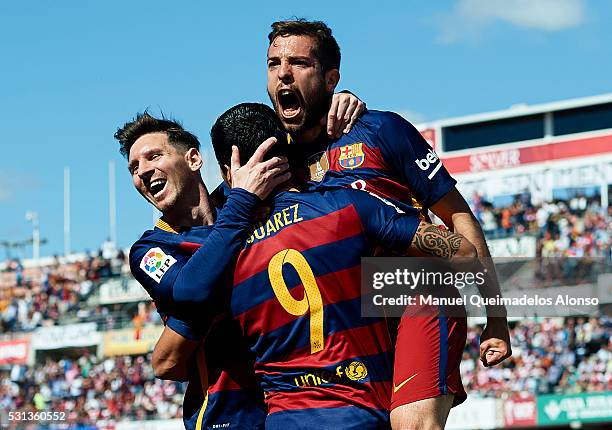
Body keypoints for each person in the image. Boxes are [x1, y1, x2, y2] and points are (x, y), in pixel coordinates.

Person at [265, 19, 511, 429]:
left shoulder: (380, 129)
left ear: (330, 78)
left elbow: (459, 216)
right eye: (274, 64)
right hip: (344, 321)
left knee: (411, 425)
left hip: (416, 288)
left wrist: (497, 320)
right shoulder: (272, 160)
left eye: (299, 63)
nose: (283, 73)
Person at [118, 93, 366, 430]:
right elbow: (192, 290)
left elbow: (279, 143)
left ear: (193, 159)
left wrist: (334, 104)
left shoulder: (244, 202)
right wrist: (243, 201)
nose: (143, 170)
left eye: (154, 156)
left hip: (297, 407)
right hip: (228, 418)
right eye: (134, 167)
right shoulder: (152, 248)